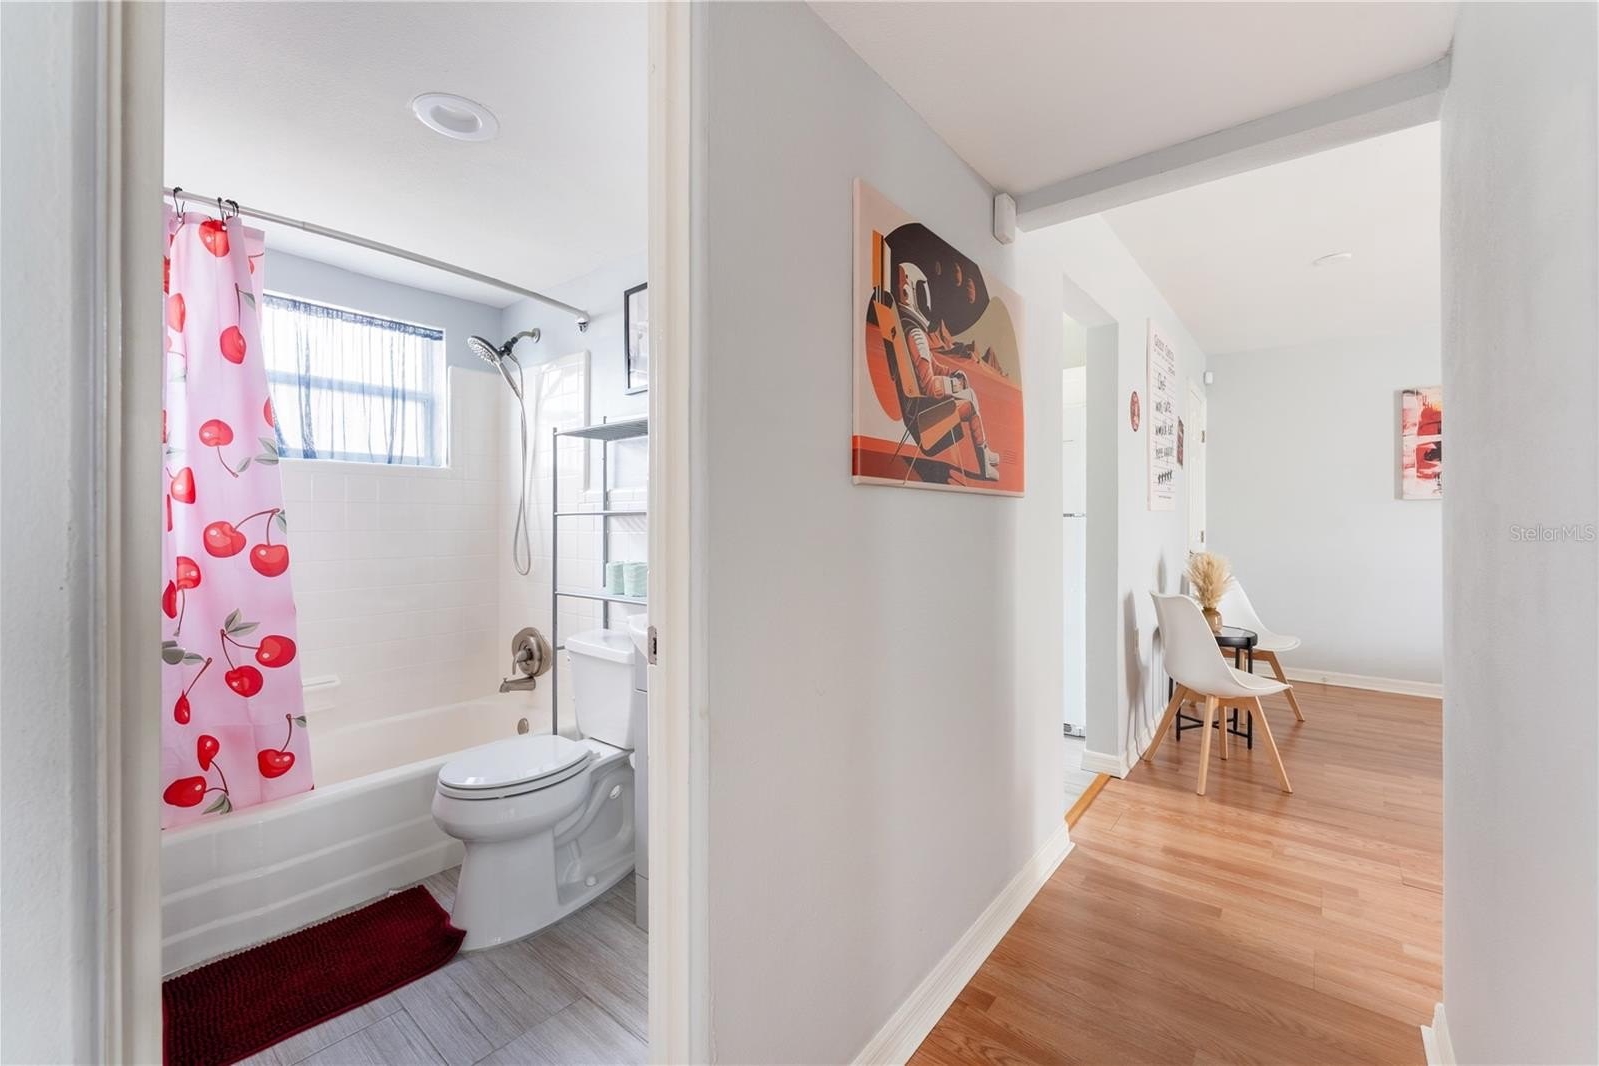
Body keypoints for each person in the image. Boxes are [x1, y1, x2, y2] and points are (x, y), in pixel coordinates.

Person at [895, 262, 999, 480]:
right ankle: (984, 464)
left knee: (968, 391)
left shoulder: (910, 331)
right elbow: (930, 387)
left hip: (918, 410)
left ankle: (985, 450)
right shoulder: (916, 336)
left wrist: (952, 374)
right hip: (923, 419)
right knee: (970, 399)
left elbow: (932, 366)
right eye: (921, 292)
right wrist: (955, 385)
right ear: (910, 293)